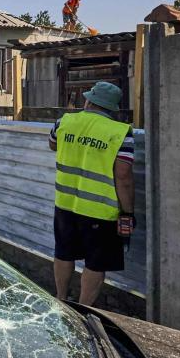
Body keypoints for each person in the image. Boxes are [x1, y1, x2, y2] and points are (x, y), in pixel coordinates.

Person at [49, 81, 135, 306]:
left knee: (64, 252)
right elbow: (124, 176)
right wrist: (128, 212)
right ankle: (83, 309)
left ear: (89, 101)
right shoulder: (120, 132)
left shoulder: (64, 122)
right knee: (95, 263)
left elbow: (52, 145)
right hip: (100, 210)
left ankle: (60, 299)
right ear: (112, 108)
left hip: (65, 203)